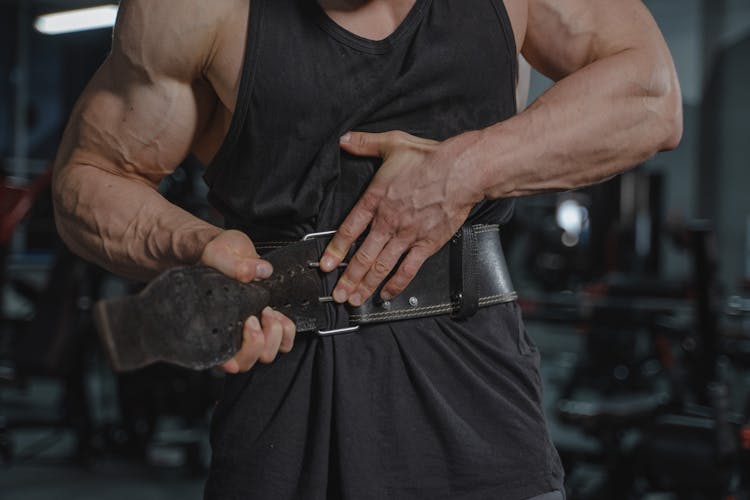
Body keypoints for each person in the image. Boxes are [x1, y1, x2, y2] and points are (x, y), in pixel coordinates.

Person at [51, 0, 682, 498]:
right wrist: (198, 244)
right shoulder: (194, 9)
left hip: (479, 393)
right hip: (286, 410)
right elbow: (91, 178)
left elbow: (649, 96)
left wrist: (462, 172)